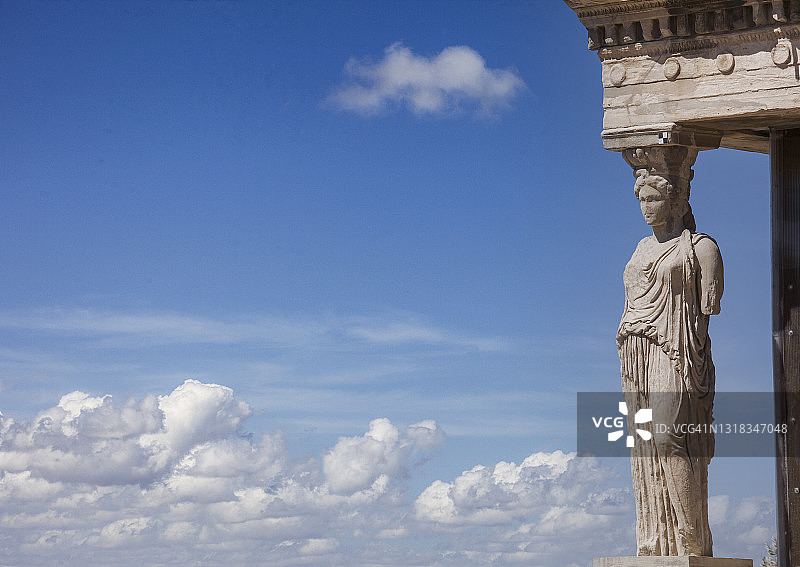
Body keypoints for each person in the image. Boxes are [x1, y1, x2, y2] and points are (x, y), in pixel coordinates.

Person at [617, 167, 723, 556]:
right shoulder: (640, 248)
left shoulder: (701, 248)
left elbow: (708, 307)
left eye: (653, 199)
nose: (646, 207)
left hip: (675, 351)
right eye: (641, 200)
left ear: (676, 200)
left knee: (666, 436)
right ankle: (658, 541)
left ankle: (691, 536)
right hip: (635, 351)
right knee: (644, 441)